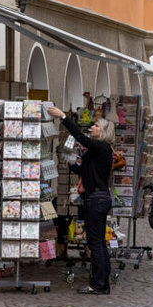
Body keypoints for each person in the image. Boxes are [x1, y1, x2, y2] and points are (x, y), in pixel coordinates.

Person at [47, 105, 115, 295]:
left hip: (97, 199)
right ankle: (102, 283)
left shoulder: (102, 147)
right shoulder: (98, 151)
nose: (92, 127)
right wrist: (70, 163)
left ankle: (99, 284)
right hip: (98, 198)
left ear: (103, 132)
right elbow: (86, 172)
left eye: (96, 126)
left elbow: (80, 137)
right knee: (98, 242)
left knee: (95, 243)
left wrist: (63, 117)